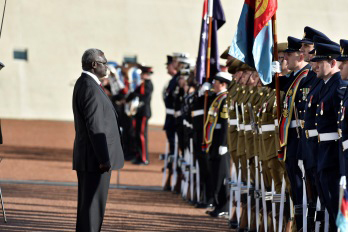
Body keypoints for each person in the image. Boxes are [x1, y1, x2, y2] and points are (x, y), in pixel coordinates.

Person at [72, 48, 124, 232]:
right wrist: (103, 159)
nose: (107, 66)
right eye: (104, 63)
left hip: (91, 158)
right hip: (95, 161)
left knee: (89, 209)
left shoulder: (87, 83)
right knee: (92, 210)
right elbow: (95, 126)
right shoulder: (89, 87)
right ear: (94, 65)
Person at [311, 42, 346, 231]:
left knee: (335, 204)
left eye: (319, 61)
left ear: (331, 62)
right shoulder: (325, 85)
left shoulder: (338, 85)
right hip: (323, 152)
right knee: (327, 201)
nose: (314, 65)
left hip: (333, 154)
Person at [204, 71, 231, 217]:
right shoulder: (218, 98)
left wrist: (224, 143)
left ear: (223, 84)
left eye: (216, 82)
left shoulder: (225, 99)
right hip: (214, 141)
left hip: (221, 142)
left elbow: (225, 123)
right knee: (215, 174)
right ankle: (218, 204)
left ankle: (224, 206)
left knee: (222, 176)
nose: (213, 84)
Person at [129, 65, 154, 165]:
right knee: (137, 135)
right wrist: (124, 99)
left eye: (144, 74)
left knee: (141, 136)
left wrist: (134, 95)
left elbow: (144, 96)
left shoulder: (148, 84)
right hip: (139, 112)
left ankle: (144, 158)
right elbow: (134, 93)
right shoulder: (143, 84)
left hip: (144, 113)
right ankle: (139, 156)